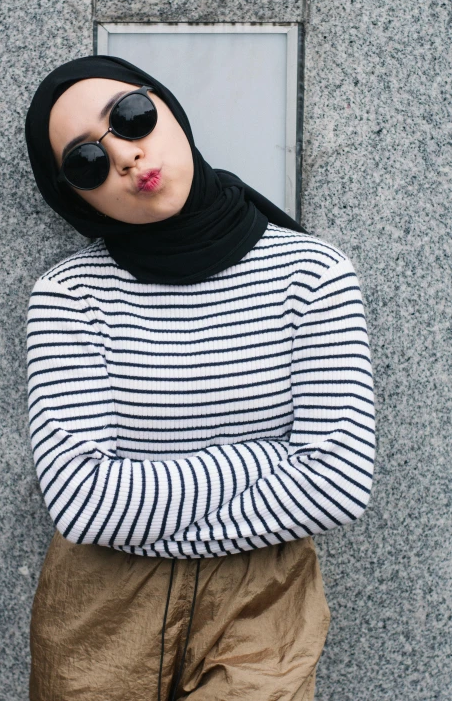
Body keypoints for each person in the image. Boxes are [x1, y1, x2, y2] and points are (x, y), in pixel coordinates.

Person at [24, 55, 376, 701]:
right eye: (86, 161)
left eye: (131, 118)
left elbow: (340, 480)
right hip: (98, 611)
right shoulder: (69, 297)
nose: (126, 156)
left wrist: (136, 508)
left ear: (168, 108)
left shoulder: (313, 278)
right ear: (70, 195)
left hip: (262, 606)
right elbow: (80, 500)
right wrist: (264, 463)